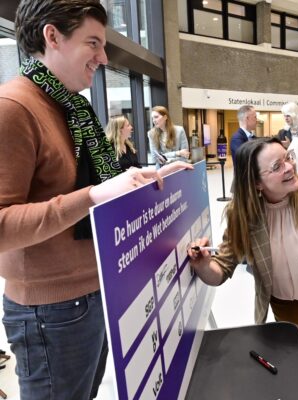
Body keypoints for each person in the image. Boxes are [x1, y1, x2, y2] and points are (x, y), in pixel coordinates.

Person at [0, 1, 190, 399]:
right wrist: (91, 197)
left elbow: (96, 183)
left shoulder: (73, 108)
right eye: (93, 43)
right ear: (52, 36)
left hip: (94, 293)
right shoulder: (13, 108)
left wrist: (150, 179)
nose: (103, 58)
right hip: (50, 311)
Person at [188, 137, 298, 393]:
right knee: (297, 367)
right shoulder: (242, 214)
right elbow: (219, 271)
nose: (290, 167)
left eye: (288, 158)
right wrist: (203, 264)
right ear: (257, 182)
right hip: (286, 303)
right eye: (277, 166)